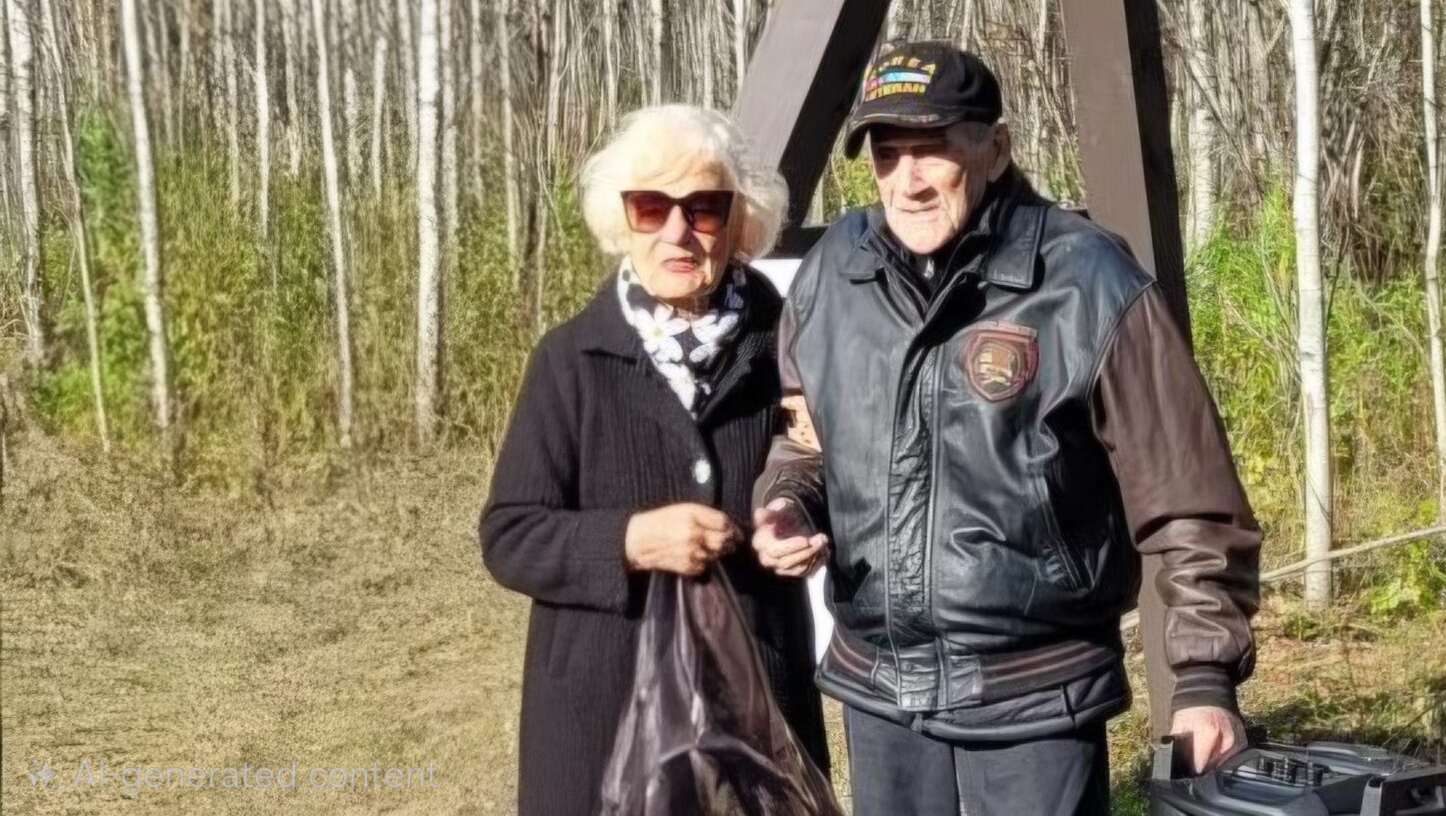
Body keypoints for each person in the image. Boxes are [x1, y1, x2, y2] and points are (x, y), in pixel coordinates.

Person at [751, 41, 1260, 816]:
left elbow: (1190, 500)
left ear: (995, 146)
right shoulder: (834, 275)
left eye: (932, 149)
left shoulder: (1089, 280)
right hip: (881, 694)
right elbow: (806, 440)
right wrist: (789, 500)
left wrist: (1203, 678)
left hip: (1034, 698)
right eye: (888, 155)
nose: (908, 180)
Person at [481, 104, 827, 816]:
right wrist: (629, 540)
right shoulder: (569, 360)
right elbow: (509, 534)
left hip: (756, 709)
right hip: (602, 717)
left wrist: (796, 516)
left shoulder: (790, 342)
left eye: (703, 207)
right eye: (650, 206)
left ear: (740, 221)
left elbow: (823, 465)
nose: (677, 230)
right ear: (623, 220)